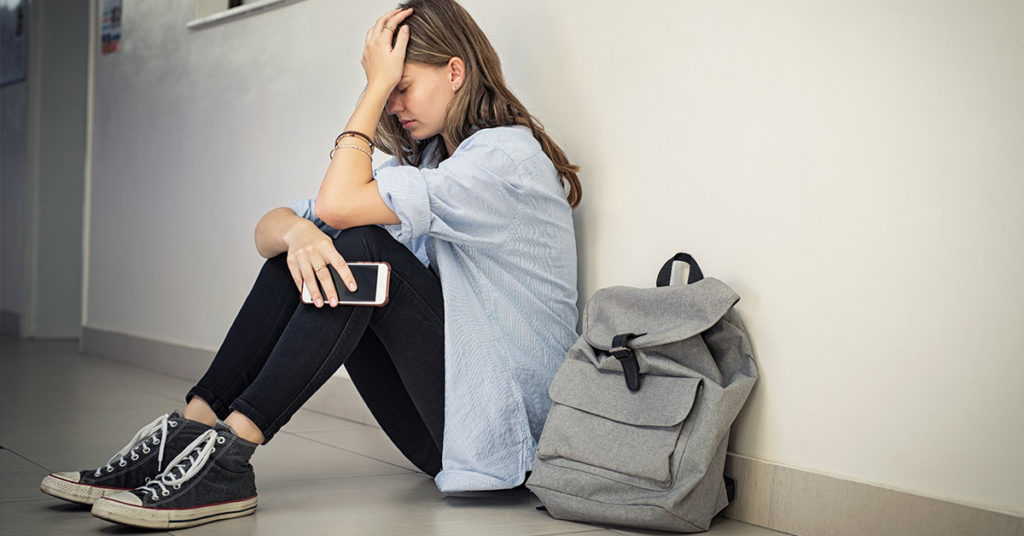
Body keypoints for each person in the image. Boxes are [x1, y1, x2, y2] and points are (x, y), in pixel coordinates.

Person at [39, 0, 581, 530]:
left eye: (401, 87)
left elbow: (340, 207)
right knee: (301, 254)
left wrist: (371, 87)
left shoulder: (504, 159)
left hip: (506, 437)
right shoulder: (433, 163)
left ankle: (230, 456)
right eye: (386, 92)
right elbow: (270, 230)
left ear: (455, 71)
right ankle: (190, 433)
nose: (393, 105)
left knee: (359, 245)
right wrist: (299, 234)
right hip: (448, 436)